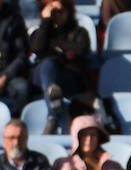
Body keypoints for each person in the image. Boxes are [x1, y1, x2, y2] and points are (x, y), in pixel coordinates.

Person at [28, 0, 91, 134]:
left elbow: (80, 51)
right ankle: (53, 98)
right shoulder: (41, 31)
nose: (56, 15)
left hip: (69, 78)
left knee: (50, 63)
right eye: (52, 11)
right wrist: (46, 23)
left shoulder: (79, 32)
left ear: (69, 12)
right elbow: (36, 47)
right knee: (48, 64)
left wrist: (54, 48)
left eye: (60, 11)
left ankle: (52, 117)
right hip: (43, 77)